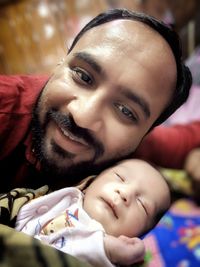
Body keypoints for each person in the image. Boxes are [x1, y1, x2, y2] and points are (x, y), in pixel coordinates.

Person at [0, 7, 192, 267]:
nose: (83, 116)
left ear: (144, 134)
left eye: (125, 111)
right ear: (60, 63)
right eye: (82, 75)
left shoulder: (137, 158)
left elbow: (189, 137)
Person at [4, 159, 170, 267]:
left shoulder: (113, 254)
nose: (125, 193)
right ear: (90, 181)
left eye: (142, 205)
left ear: (142, 234)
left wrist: (105, 249)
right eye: (119, 177)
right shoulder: (60, 197)